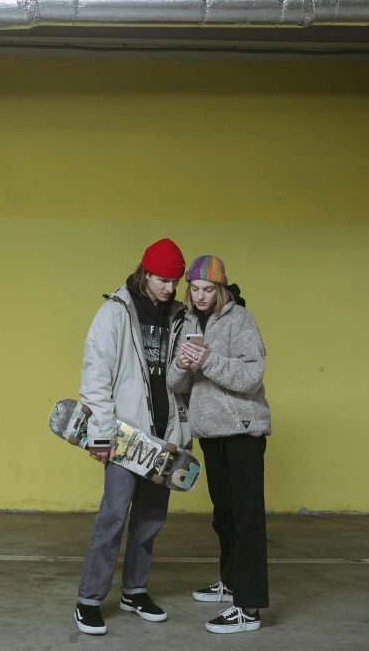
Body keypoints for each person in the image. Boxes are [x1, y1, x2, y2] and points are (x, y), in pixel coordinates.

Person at [75, 238, 192, 636]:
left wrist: (183, 432)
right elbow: (96, 377)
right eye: (163, 279)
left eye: (175, 281)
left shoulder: (179, 315)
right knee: (114, 514)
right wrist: (100, 435)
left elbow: (186, 380)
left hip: (165, 435)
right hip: (126, 434)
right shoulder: (114, 312)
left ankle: (135, 590)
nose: (170, 288)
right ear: (145, 273)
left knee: (151, 518)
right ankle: (89, 599)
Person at [167, 255, 271, 635]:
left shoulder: (241, 319)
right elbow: (178, 385)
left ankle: (248, 607)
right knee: (224, 515)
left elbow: (251, 374)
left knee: (247, 520)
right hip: (210, 432)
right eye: (194, 289)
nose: (200, 296)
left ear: (221, 288)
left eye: (208, 289)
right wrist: (181, 364)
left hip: (243, 430)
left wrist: (208, 361)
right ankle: (231, 583)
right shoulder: (190, 321)